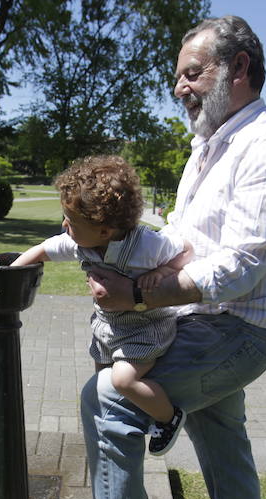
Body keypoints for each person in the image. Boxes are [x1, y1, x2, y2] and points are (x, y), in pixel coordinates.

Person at [66, 15, 266, 499]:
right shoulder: (211, 146)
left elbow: (239, 267)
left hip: (235, 329)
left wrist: (136, 294)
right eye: (177, 77)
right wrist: (132, 252)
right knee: (225, 448)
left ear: (239, 67)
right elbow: (186, 237)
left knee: (107, 397)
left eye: (192, 73)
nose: (179, 87)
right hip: (204, 323)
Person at [12, 155, 193, 455]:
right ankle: (121, 420)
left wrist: (163, 271)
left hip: (146, 328)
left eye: (71, 221)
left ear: (104, 231)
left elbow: (185, 250)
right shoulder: (79, 241)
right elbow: (43, 250)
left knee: (123, 380)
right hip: (107, 327)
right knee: (101, 383)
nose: (64, 225)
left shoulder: (146, 246)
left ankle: (168, 417)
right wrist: (10, 272)